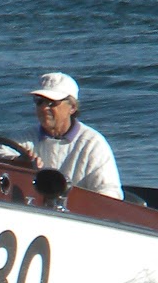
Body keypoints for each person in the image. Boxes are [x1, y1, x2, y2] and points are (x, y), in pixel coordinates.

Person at [20, 72, 122, 200]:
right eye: (39, 101)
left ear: (72, 107)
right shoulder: (25, 138)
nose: (44, 108)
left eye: (52, 103)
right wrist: (16, 161)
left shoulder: (92, 143)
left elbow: (109, 193)